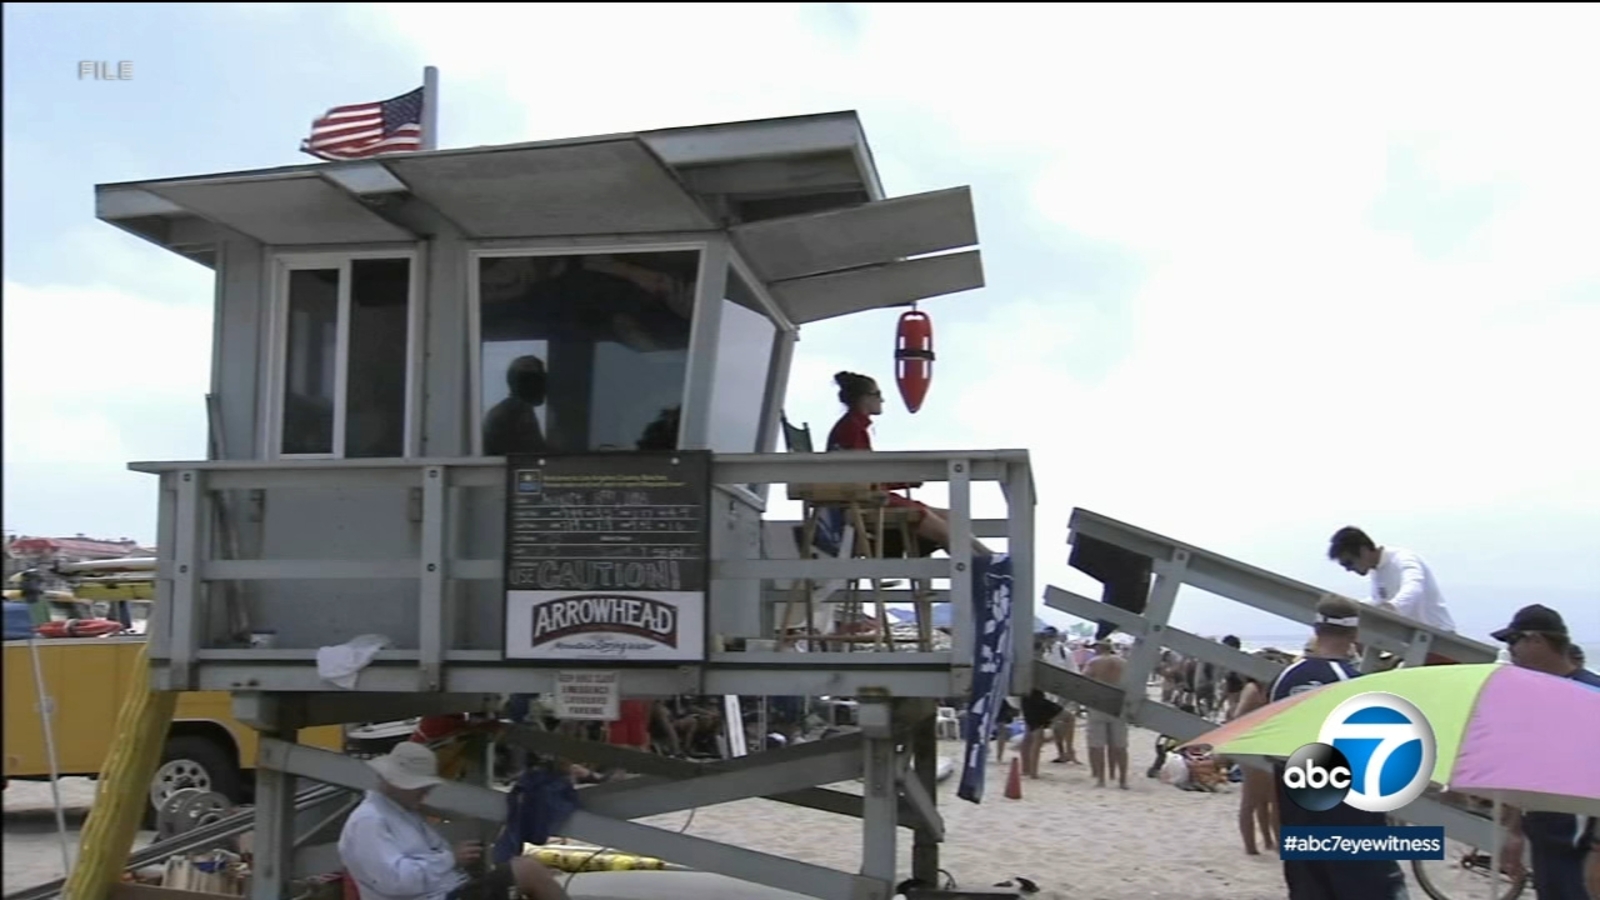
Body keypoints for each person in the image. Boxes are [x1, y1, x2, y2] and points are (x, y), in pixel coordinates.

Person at [1271, 594, 1411, 900]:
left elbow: (1271, 748)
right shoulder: (1354, 685)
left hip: (1297, 812)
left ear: (1315, 628)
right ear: (1354, 634)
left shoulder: (1283, 680)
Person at [339, 743, 570, 900]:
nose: (426, 793)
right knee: (527, 870)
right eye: (421, 787)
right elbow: (397, 881)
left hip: (444, 891)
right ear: (396, 783)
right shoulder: (368, 822)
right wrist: (450, 859)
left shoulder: (398, 812)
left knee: (527, 869)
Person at [1492, 605, 1599, 900]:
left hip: (1580, 850)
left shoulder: (1590, 696)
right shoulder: (1534, 695)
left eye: (1514, 641)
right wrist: (1514, 832)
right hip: (1544, 843)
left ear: (1537, 640)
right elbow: (1527, 768)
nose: (1510, 650)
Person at [825, 371, 992, 556]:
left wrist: (904, 481)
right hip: (865, 503)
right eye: (878, 394)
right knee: (941, 529)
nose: (882, 400)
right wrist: (904, 480)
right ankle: (983, 565)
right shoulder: (852, 430)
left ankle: (985, 559)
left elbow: (864, 476)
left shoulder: (851, 427)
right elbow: (863, 480)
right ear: (864, 398)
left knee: (951, 518)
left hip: (864, 499)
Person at [1327, 526, 1457, 663]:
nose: (1348, 569)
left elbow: (1413, 586)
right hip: (1416, 644)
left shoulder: (1403, 559)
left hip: (1440, 643)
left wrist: (1394, 607)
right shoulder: (1377, 571)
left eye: (1349, 562)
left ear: (1363, 550)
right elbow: (1378, 600)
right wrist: (1350, 607)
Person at [1234, 669, 1278, 856]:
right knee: (1253, 800)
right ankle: (1251, 847)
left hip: (1263, 746)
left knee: (1265, 800)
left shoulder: (1263, 689)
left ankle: (1268, 841)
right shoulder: (1253, 689)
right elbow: (1237, 716)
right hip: (1254, 747)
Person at [1083, 641, 1130, 789]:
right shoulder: (1124, 663)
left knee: (1097, 745)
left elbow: (1084, 680)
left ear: (1099, 648)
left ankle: (1101, 779)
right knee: (1120, 746)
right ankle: (1122, 780)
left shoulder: (1093, 662)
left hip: (1099, 704)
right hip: (1118, 704)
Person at [483, 356, 550, 456]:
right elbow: (532, 456)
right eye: (539, 380)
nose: (544, 386)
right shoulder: (515, 414)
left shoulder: (519, 411)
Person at [1019, 688, 1063, 779]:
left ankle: (1027, 769)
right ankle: (1032, 772)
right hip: (1034, 699)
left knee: (1031, 735)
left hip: (1028, 697)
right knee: (1037, 736)